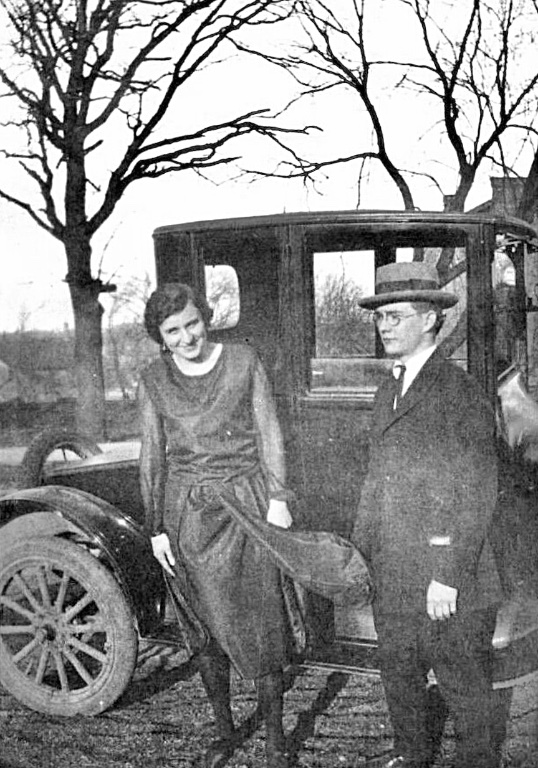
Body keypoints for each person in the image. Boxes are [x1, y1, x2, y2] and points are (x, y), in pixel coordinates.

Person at [138, 283, 371, 768]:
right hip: (186, 518)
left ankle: (275, 740)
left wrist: (279, 498)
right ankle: (224, 732)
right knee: (204, 631)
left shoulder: (243, 361)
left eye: (192, 323)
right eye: (173, 331)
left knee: (263, 628)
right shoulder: (153, 379)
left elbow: (269, 432)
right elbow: (152, 456)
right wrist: (156, 527)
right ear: (160, 337)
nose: (186, 337)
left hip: (246, 508)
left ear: (205, 318)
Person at [352, 262, 505, 768]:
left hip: (448, 578)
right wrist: (359, 554)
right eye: (380, 317)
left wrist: (447, 575)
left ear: (431, 319)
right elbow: (376, 482)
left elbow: (477, 489)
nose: (385, 326)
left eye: (396, 316)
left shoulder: (458, 391)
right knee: (400, 678)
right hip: (394, 573)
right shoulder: (388, 390)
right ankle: (411, 757)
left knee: (465, 688)